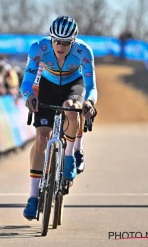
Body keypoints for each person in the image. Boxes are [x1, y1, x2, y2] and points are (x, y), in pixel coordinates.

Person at [20, 15, 97, 220]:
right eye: (56, 41)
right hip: (48, 87)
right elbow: (26, 83)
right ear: (50, 38)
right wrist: (29, 97)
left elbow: (91, 87)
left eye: (65, 43)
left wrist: (89, 102)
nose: (60, 46)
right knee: (41, 138)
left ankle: (70, 156)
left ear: (73, 42)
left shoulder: (84, 51)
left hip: (74, 84)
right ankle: (33, 197)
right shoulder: (38, 48)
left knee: (72, 109)